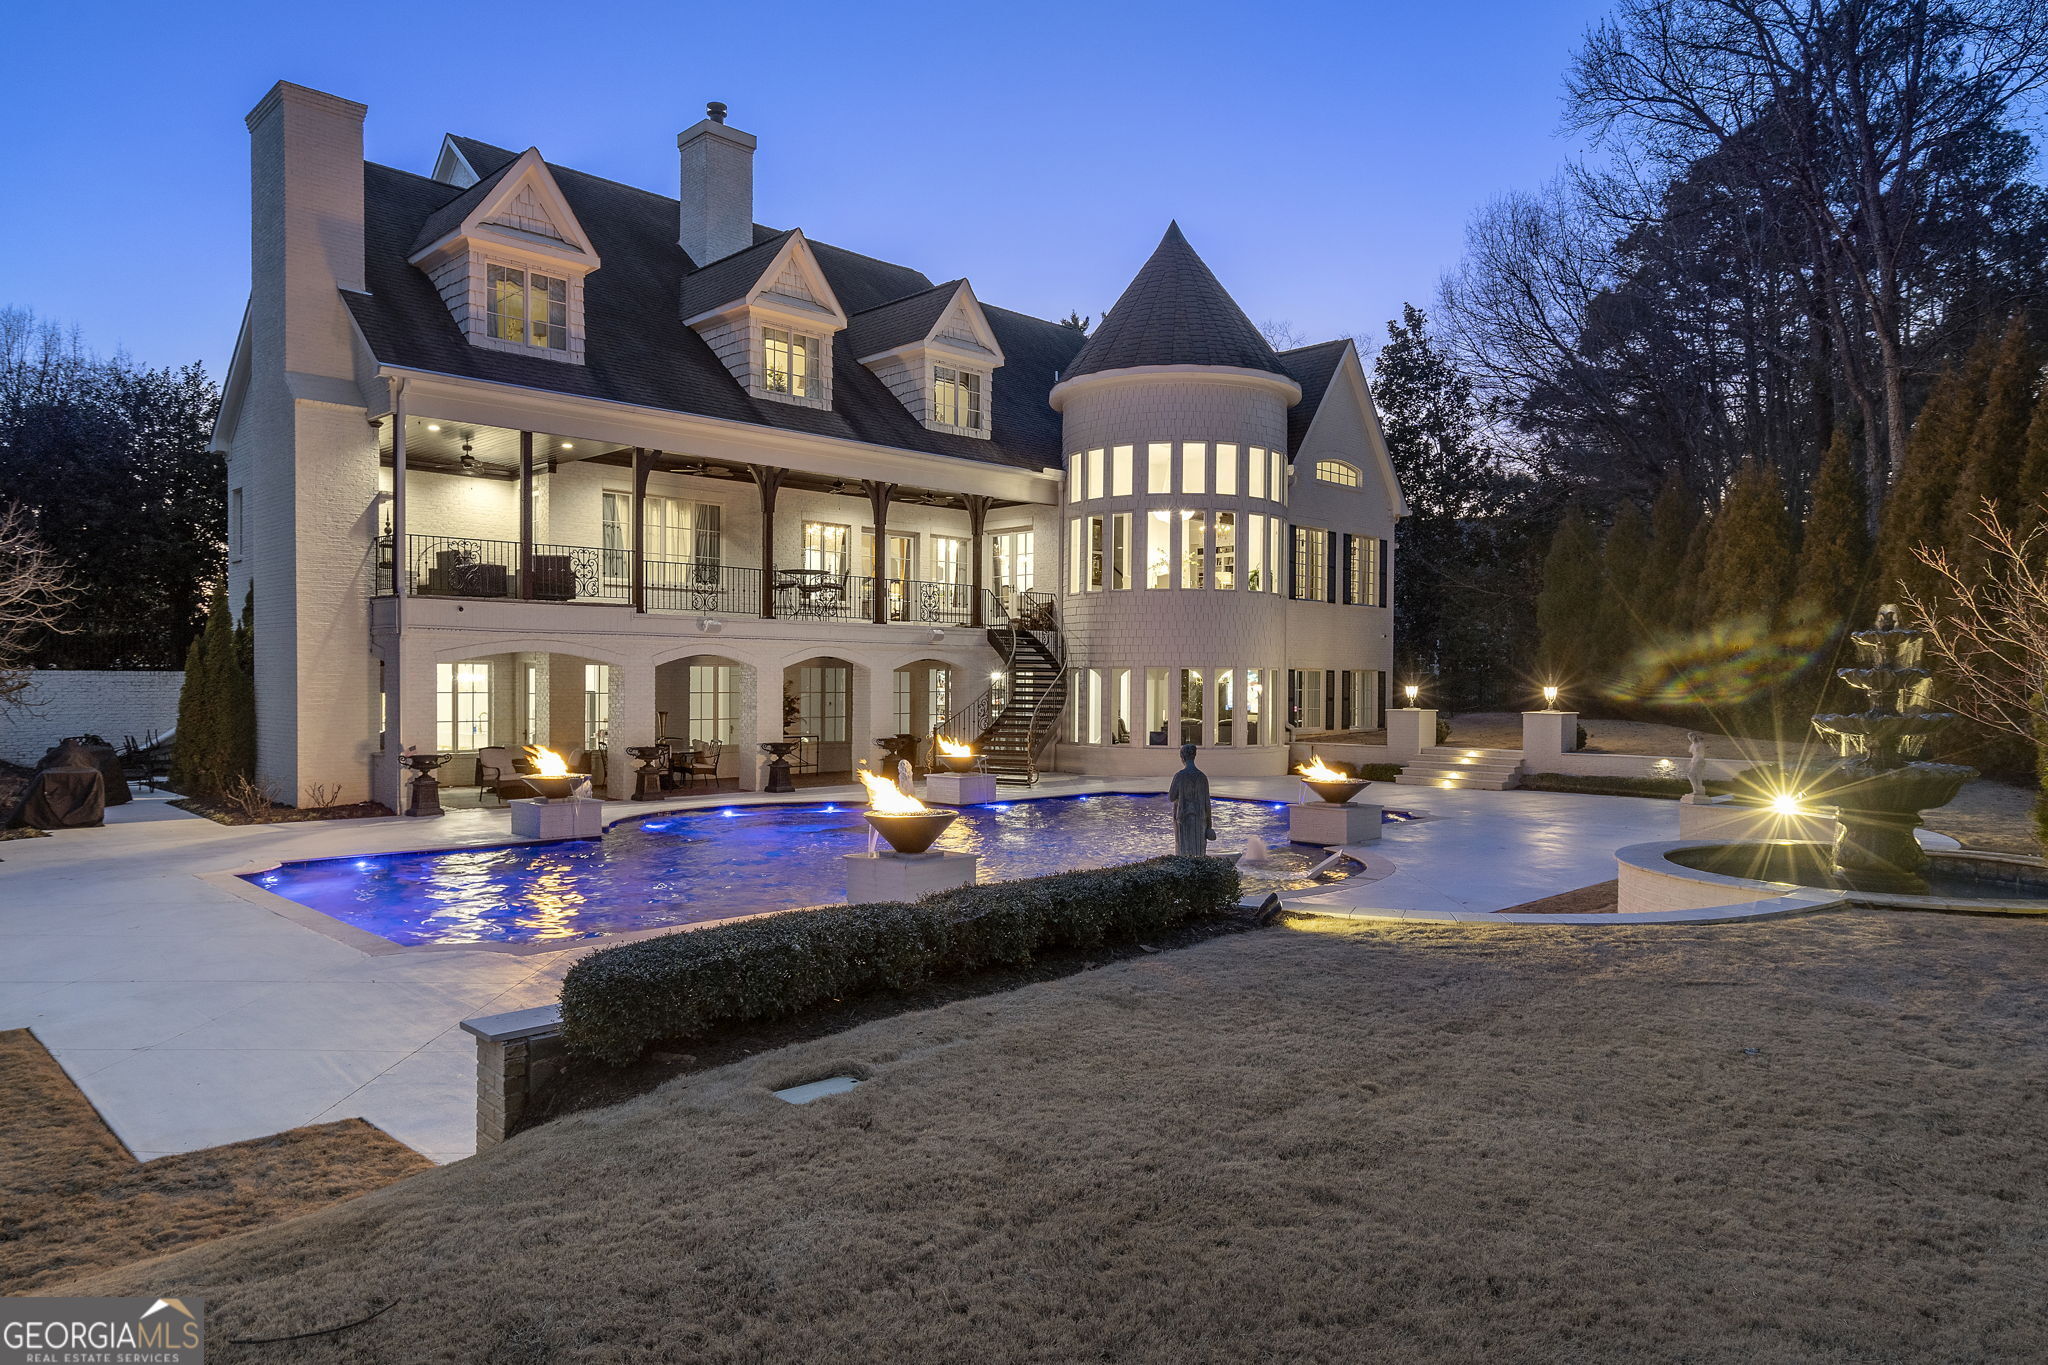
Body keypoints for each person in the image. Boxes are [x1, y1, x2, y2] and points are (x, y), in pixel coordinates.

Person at [1168, 743, 1216, 857]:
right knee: (1199, 852)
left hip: (1184, 819)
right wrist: (1209, 826)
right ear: (1194, 756)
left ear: (1182, 757)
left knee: (1184, 852)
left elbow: (1171, 797)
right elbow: (1207, 804)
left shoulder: (1179, 776)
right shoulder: (1202, 777)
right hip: (1200, 819)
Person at [1686, 731, 1710, 800]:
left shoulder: (1700, 744)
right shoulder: (1692, 745)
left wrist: (1700, 739)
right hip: (1694, 759)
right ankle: (1698, 790)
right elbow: (1693, 754)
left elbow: (1702, 749)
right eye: (1689, 737)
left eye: (1691, 736)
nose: (1690, 738)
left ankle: (1697, 790)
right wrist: (1691, 762)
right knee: (1697, 775)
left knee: (1691, 775)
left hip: (1699, 760)